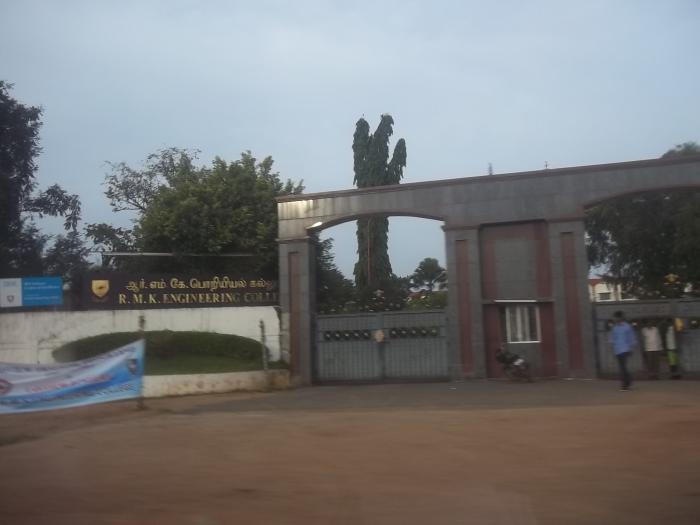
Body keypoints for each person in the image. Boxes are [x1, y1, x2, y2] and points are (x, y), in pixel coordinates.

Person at [608, 311, 637, 391]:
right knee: (622, 367)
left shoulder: (627, 327)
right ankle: (628, 380)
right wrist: (611, 349)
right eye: (614, 317)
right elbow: (611, 339)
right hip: (617, 350)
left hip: (625, 349)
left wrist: (632, 348)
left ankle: (625, 385)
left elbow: (631, 337)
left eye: (616, 317)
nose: (614, 319)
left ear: (620, 318)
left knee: (622, 367)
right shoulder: (614, 328)